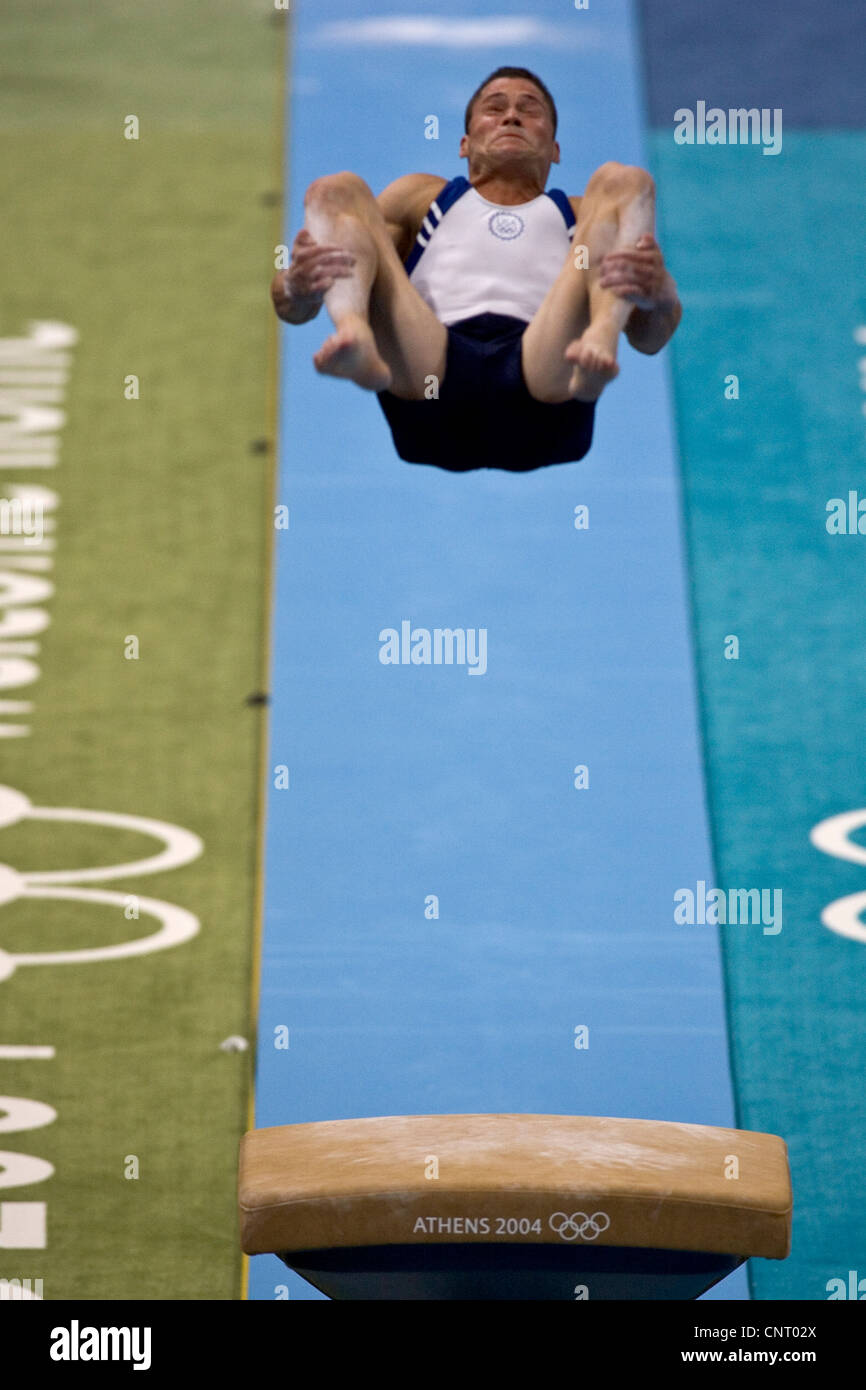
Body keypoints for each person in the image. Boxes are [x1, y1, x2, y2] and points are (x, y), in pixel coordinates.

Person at [270, 66, 682, 474]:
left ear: (555, 149)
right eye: (495, 107)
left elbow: (649, 339)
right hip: (429, 375)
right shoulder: (421, 199)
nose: (512, 116)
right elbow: (294, 309)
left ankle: (601, 338)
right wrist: (296, 285)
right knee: (335, 192)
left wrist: (660, 294)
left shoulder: (583, 217)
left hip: (549, 375)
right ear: (464, 144)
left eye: (530, 109)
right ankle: (353, 330)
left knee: (623, 180)